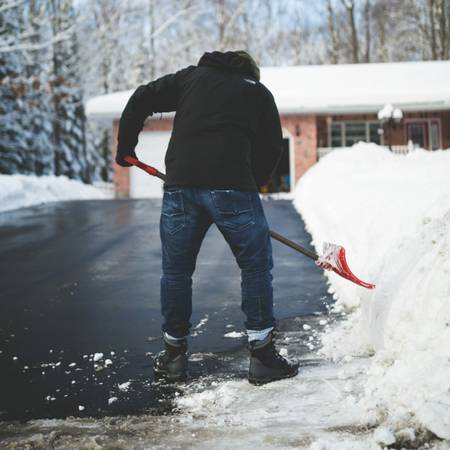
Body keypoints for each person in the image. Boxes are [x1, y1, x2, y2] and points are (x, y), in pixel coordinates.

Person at [116, 50, 298, 385]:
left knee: (176, 271)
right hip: (233, 188)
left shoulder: (189, 78)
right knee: (255, 266)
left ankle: (173, 356)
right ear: (251, 72)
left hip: (181, 186)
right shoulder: (257, 93)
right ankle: (262, 356)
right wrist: (248, 181)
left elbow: (142, 97)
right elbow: (272, 145)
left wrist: (125, 145)